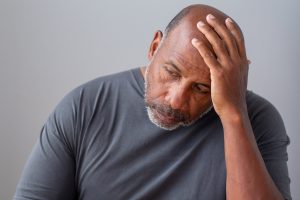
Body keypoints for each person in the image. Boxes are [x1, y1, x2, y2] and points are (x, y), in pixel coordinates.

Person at [14, 4, 291, 200]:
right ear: (154, 47)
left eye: (201, 88)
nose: (175, 100)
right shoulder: (85, 106)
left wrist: (234, 114)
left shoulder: (256, 121)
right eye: (171, 73)